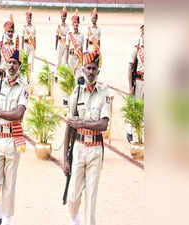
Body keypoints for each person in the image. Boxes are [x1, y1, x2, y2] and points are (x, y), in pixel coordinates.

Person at [63, 50, 110, 225]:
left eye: (94, 68)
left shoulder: (105, 92)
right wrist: (64, 158)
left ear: (98, 71)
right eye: (88, 68)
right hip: (78, 148)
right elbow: (69, 123)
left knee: (91, 197)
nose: (91, 71)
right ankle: (75, 222)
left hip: (95, 150)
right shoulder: (76, 92)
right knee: (73, 196)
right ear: (83, 70)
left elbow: (103, 125)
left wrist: (82, 123)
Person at [0, 45, 29, 225]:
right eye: (9, 62)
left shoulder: (23, 87)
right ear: (5, 63)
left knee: (9, 185)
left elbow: (19, 114)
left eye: (15, 63)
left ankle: (7, 221)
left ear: (19, 66)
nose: (11, 66)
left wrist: (0, 113)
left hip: (13, 140)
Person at [126, 24, 144, 142]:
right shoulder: (137, 48)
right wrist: (130, 86)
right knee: (136, 107)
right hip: (139, 81)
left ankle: (142, 133)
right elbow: (130, 66)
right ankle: (130, 129)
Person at [0, 14, 17, 92]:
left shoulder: (16, 46)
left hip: (11, 78)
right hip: (1, 77)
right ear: (5, 32)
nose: (10, 34)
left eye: (12, 32)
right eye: (8, 31)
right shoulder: (0, 45)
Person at [65, 9, 84, 80]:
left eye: (77, 22)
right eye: (74, 22)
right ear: (72, 24)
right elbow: (67, 49)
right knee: (70, 78)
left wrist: (82, 63)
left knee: (78, 78)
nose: (76, 24)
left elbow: (82, 49)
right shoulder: (69, 34)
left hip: (78, 59)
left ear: (79, 23)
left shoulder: (81, 35)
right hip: (71, 58)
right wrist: (66, 62)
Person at [21, 6, 36, 86]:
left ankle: (29, 79)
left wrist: (35, 48)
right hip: (26, 45)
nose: (29, 19)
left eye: (30, 18)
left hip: (31, 46)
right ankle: (24, 78)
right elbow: (22, 38)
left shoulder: (33, 27)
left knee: (30, 63)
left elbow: (35, 38)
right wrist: (22, 48)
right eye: (27, 18)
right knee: (24, 62)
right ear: (26, 18)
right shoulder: (24, 27)